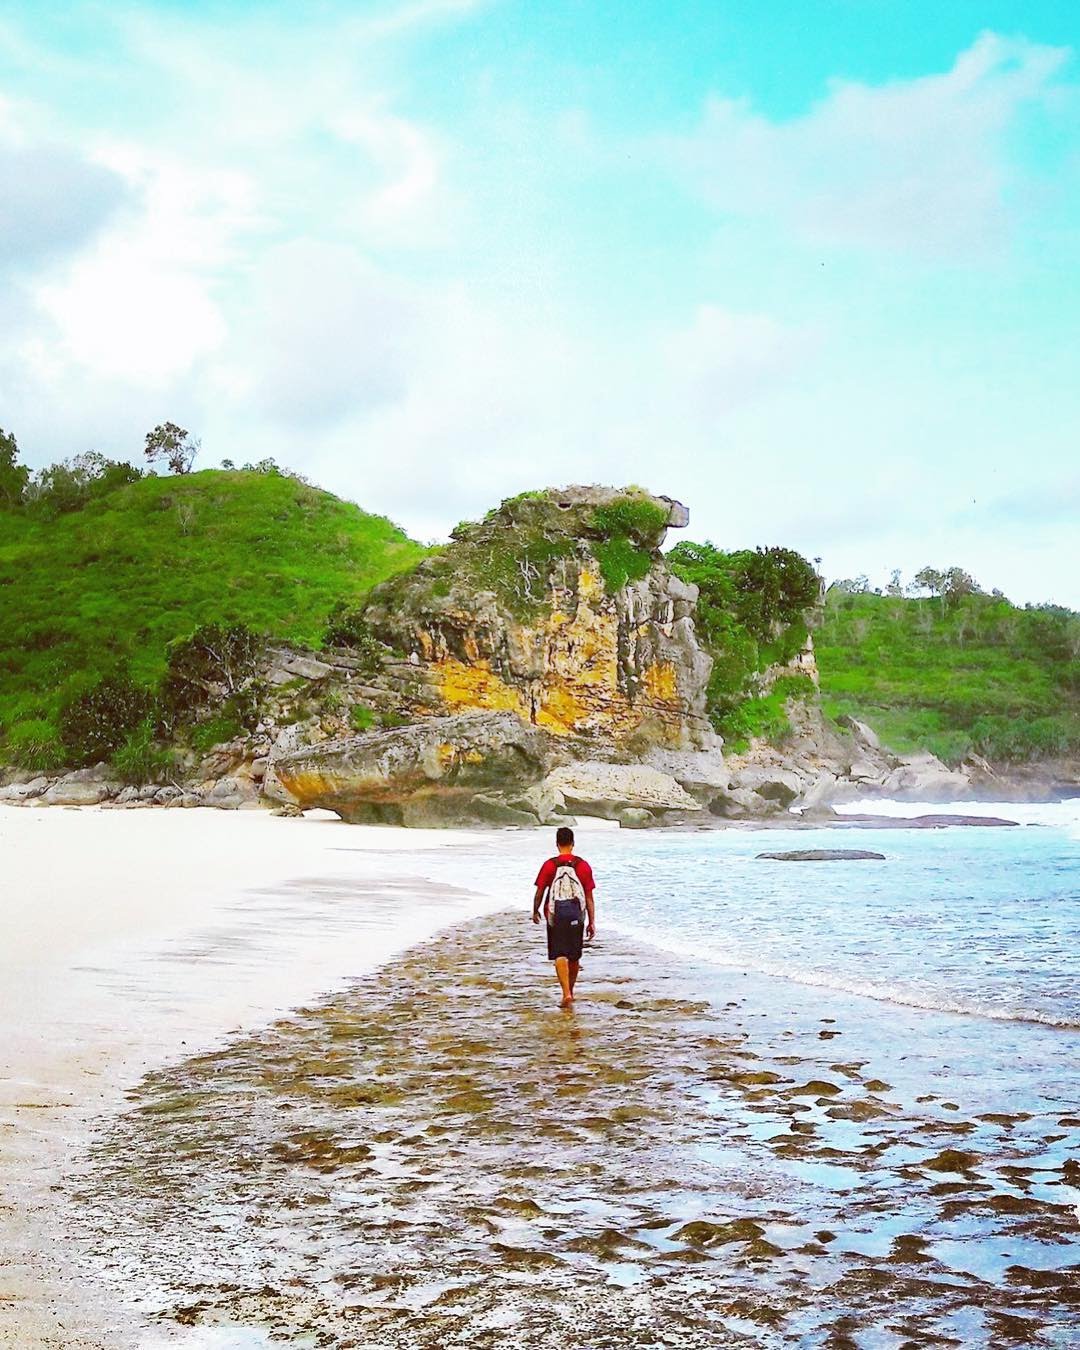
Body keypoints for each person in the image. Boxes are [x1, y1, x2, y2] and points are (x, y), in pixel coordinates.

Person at [532, 826, 596, 1008]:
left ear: (557, 844)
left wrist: (535, 910)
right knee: (574, 956)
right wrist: (592, 921)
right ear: (573, 843)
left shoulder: (550, 865)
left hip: (555, 915)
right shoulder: (582, 866)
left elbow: (540, 891)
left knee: (560, 954)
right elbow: (589, 897)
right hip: (577, 915)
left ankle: (565, 993)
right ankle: (572, 991)